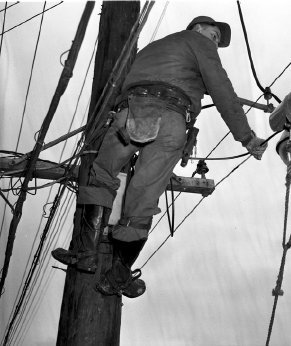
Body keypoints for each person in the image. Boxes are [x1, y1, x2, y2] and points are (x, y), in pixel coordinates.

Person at [52, 16, 268, 298]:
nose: (214, 42)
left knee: (101, 175)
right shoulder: (199, 43)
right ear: (198, 29)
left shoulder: (154, 49)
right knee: (142, 197)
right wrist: (247, 137)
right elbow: (222, 89)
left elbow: (124, 83)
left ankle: (85, 253)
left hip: (130, 112)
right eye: (214, 35)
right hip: (170, 119)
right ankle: (117, 275)